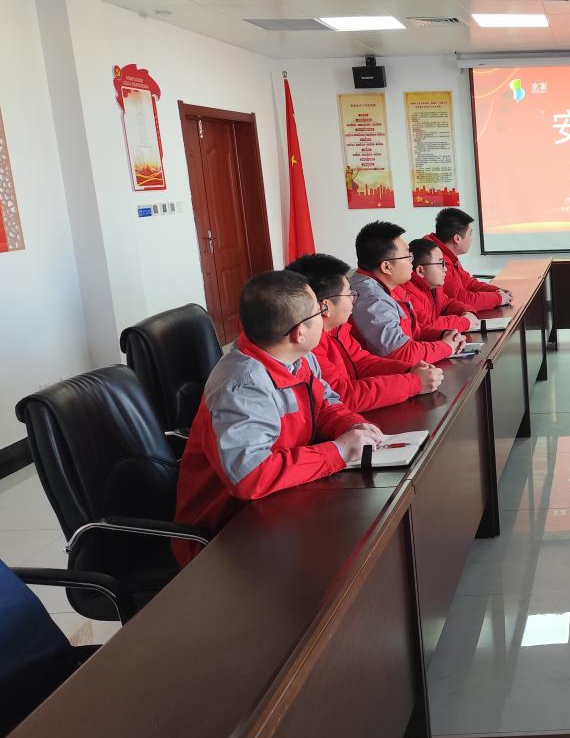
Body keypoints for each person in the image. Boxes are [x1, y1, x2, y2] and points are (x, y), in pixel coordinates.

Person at [173, 271, 384, 566]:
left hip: (284, 500)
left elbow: (325, 404)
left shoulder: (298, 357)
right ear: (299, 333)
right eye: (319, 311)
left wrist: (353, 426)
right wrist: (338, 451)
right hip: (228, 533)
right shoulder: (243, 385)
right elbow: (251, 477)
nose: (324, 316)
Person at [286, 252, 443, 412]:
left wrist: (410, 370)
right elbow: (340, 395)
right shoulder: (308, 344)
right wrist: (413, 383)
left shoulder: (337, 328)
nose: (353, 299)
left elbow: (362, 362)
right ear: (325, 307)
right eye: (349, 293)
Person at [348, 220, 466, 363]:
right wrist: (446, 347)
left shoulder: (389, 286)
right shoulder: (372, 299)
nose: (412, 261)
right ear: (386, 267)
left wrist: (443, 335)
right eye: (407, 257)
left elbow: (413, 332)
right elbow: (401, 353)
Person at [424, 208, 512, 312]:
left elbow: (468, 283)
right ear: (457, 239)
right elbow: (463, 300)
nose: (471, 239)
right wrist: (498, 298)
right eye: (470, 234)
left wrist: (496, 291)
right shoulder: (436, 260)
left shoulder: (446, 253)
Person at [403, 237, 479, 334]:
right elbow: (428, 325)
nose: (445, 269)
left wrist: (467, 311)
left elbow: (446, 303)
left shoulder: (433, 286)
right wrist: (465, 322)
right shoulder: (409, 293)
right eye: (441, 264)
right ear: (420, 271)